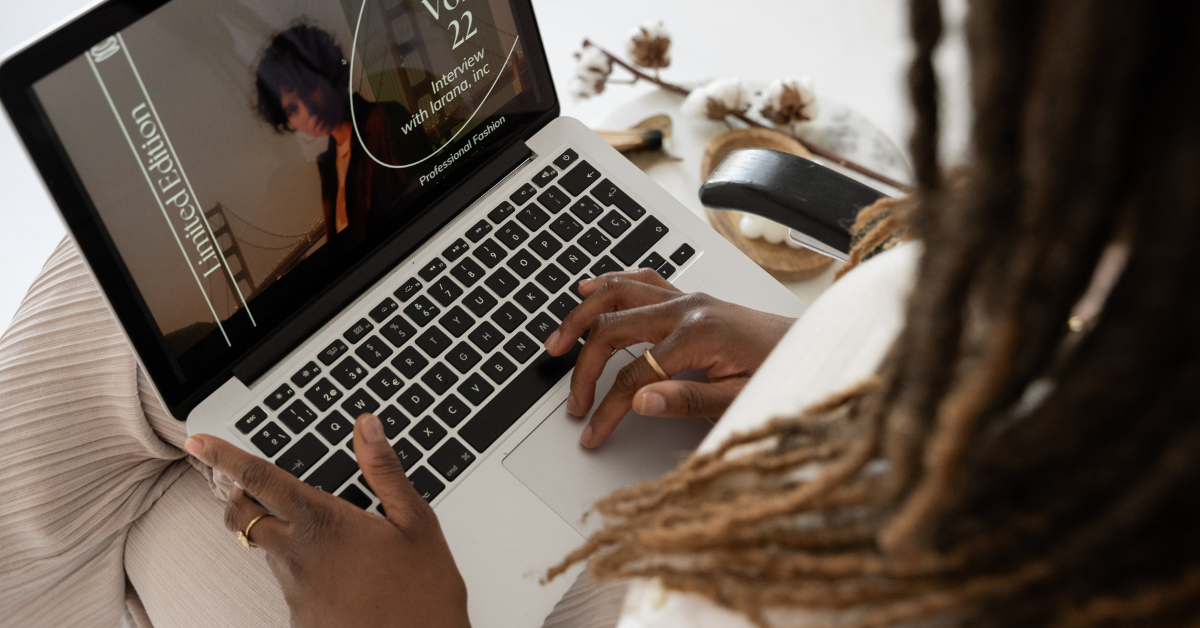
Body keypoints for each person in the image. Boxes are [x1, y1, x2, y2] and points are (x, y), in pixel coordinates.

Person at [2, 0, 1198, 627]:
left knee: (170, 408)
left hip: (599, 576)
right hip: (772, 447)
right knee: (198, 377)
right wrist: (832, 366)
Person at [255, 24, 430, 246]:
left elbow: (428, 205)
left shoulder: (383, 120)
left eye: (308, 87)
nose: (307, 111)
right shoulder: (329, 164)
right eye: (292, 109)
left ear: (327, 72)